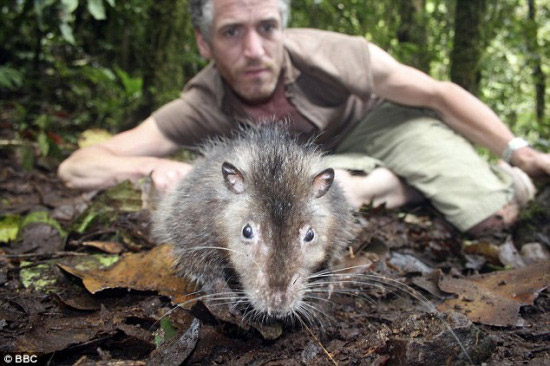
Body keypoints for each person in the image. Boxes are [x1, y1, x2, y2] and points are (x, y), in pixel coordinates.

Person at [58, 0, 550, 235]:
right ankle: (400, 186)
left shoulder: (331, 54)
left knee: (490, 220)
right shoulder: (202, 101)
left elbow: (439, 94)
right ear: (204, 44)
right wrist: (148, 167)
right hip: (327, 165)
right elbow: (77, 166)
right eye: (232, 34)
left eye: (266, 28)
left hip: (385, 126)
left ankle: (504, 178)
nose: (254, 50)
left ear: (282, 27)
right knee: (311, 200)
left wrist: (517, 150)